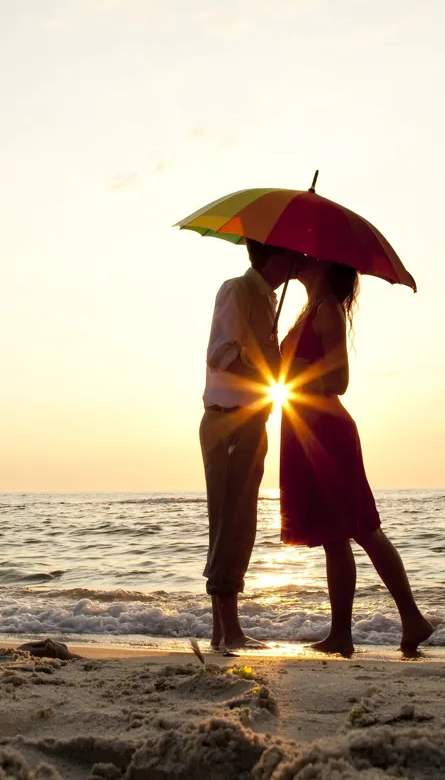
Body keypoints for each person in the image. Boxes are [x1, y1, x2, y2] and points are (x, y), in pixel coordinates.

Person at [279, 258, 435, 657]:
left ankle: (412, 618)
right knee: (334, 536)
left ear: (323, 265)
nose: (299, 258)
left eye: (308, 256)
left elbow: (340, 381)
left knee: (362, 527)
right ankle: (341, 635)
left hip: (327, 430)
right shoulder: (310, 309)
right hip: (306, 428)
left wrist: (294, 369)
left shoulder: (328, 307)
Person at [200, 239, 300, 650]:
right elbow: (219, 353)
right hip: (228, 420)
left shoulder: (267, 300)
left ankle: (224, 632)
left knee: (240, 524)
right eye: (292, 254)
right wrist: (262, 371)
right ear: (275, 256)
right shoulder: (237, 290)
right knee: (230, 522)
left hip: (251, 420)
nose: (299, 261)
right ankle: (229, 631)